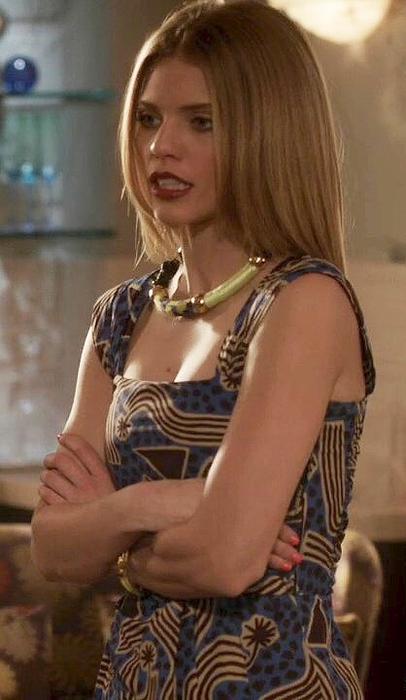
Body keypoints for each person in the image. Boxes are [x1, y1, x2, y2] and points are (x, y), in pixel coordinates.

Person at [31, 1, 376, 697]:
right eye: (148, 118)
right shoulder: (120, 317)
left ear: (267, 133)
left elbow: (223, 560)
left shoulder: (304, 301)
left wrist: (114, 542)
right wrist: (152, 505)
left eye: (202, 121)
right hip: (136, 680)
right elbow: (54, 550)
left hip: (270, 682)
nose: (162, 146)